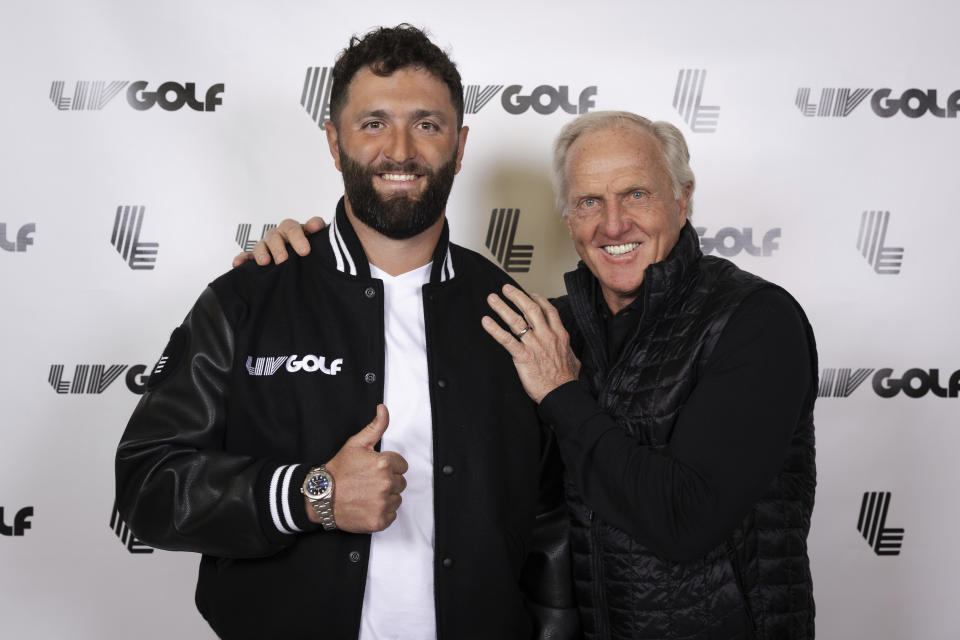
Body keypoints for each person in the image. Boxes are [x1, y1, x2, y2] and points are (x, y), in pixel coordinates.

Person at [255, 111, 818, 639]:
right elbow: (410, 337)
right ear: (567, 216)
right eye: (589, 202)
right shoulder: (547, 324)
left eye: (637, 195)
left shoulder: (754, 320)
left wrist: (560, 392)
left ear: (683, 198)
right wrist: (300, 271)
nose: (613, 223)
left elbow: (683, 521)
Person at [115, 25, 577, 640]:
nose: (401, 149)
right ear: (334, 142)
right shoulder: (249, 298)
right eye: (373, 123)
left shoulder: (513, 313)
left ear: (460, 146)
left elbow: (550, 517)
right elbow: (147, 487)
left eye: (427, 125)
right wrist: (312, 494)